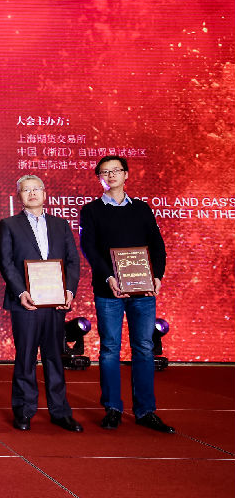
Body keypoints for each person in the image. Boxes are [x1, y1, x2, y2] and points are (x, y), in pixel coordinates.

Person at [80, 155, 173, 433]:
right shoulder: (91, 210)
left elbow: (157, 245)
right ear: (99, 178)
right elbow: (89, 248)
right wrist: (108, 277)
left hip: (143, 290)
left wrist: (157, 276)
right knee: (109, 349)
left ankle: (145, 411)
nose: (111, 176)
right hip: (108, 290)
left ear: (126, 174)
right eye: (104, 172)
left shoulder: (142, 209)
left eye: (116, 171)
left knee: (144, 347)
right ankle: (112, 408)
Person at [0, 174, 82, 432]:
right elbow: (5, 262)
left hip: (55, 302)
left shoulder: (60, 225)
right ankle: (24, 411)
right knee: (25, 357)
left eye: (36, 189)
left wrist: (69, 290)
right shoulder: (9, 224)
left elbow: (73, 261)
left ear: (45, 194)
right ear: (19, 196)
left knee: (55, 357)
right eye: (26, 190)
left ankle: (60, 412)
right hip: (25, 302)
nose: (32, 193)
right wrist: (21, 292)